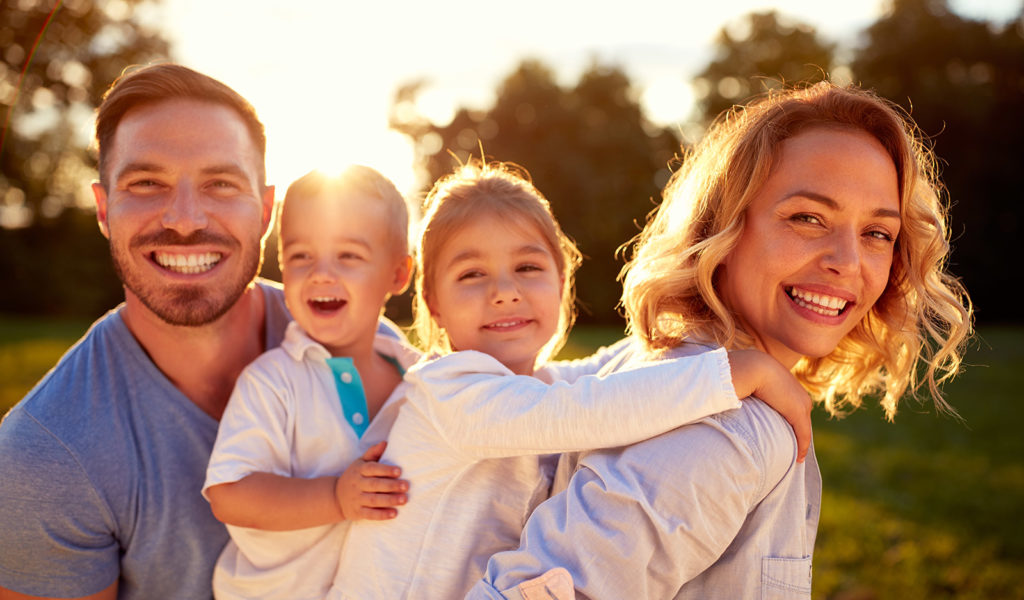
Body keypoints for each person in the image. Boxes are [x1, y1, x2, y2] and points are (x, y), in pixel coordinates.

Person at [467, 82, 973, 599]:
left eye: (876, 233)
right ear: (724, 228)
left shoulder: (646, 364)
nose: (846, 260)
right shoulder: (725, 431)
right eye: (807, 218)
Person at [328, 161, 812, 600]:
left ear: (561, 280)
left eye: (527, 267)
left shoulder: (535, 384)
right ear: (433, 303)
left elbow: (612, 366)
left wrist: (698, 325)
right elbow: (586, 407)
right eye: (472, 274)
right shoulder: (450, 390)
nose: (504, 292)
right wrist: (733, 373)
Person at [0, 64, 396, 599]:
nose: (185, 219)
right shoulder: (47, 455)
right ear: (102, 209)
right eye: (146, 183)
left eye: (220, 183)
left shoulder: (352, 337)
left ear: (266, 211)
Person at [202, 167, 420, 599]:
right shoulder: (274, 382)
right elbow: (229, 494)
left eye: (348, 256)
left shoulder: (417, 378)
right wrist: (335, 497)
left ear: (398, 275)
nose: (321, 274)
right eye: (301, 257)